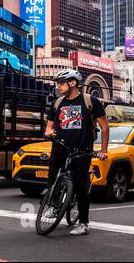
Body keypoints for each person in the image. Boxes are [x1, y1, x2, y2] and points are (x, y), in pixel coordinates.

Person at [43, 70, 109, 237]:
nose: (58, 86)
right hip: (60, 146)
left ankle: (83, 223)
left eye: (61, 82)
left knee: (81, 186)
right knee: (53, 178)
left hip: (82, 149)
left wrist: (103, 151)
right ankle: (53, 205)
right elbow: (49, 127)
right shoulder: (57, 103)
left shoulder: (90, 101)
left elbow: (105, 127)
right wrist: (49, 132)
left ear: (72, 83)